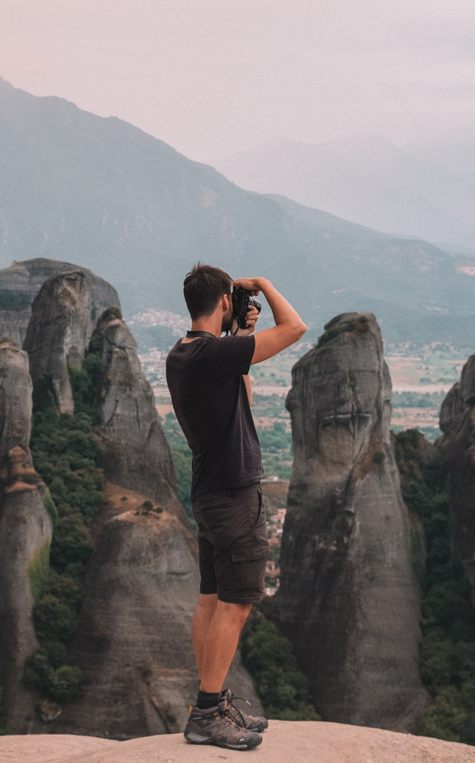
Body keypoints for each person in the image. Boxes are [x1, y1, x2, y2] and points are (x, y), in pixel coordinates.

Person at [166, 264, 306, 750]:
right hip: (233, 494)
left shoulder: (184, 354)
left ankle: (212, 701)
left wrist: (242, 332)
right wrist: (264, 283)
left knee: (210, 600)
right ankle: (207, 714)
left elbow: (239, 389)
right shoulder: (211, 354)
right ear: (223, 301)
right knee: (238, 602)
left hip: (209, 492)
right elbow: (295, 328)